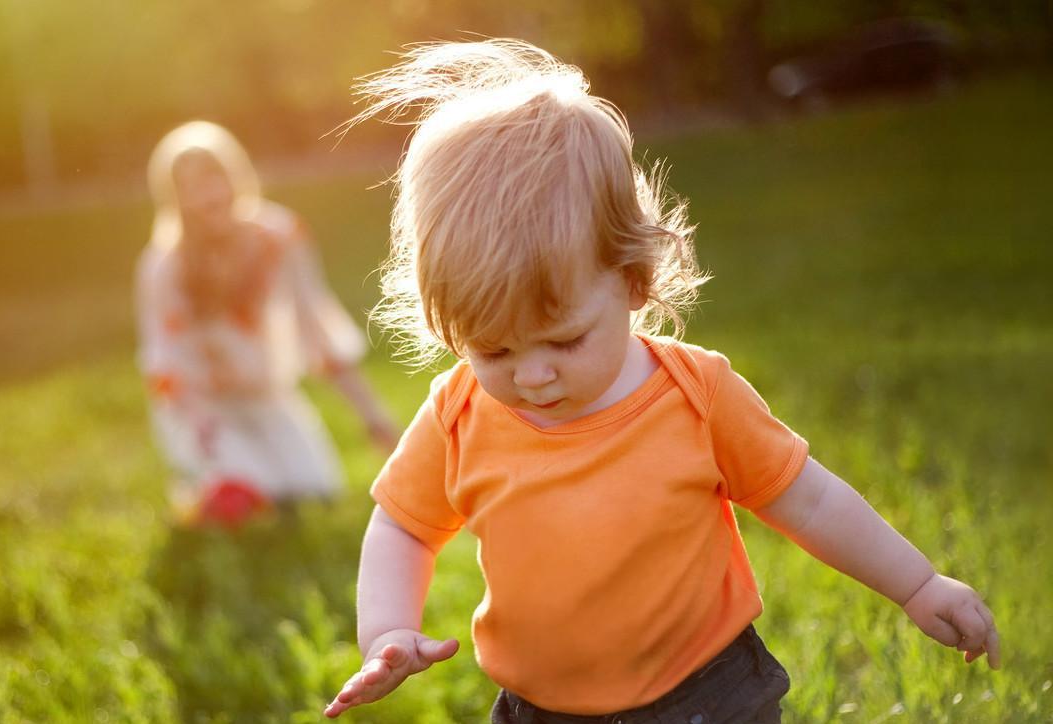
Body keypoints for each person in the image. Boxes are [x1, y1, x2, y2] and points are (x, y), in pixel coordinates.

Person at [323, 40, 1001, 722]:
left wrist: (917, 585)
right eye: (491, 349)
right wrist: (387, 630)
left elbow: (811, 501)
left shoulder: (696, 395)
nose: (532, 375)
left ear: (633, 280)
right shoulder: (458, 413)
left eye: (564, 339)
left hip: (707, 694)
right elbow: (404, 527)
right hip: (540, 708)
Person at [136, 121, 397, 527]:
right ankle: (197, 487)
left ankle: (222, 482)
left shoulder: (281, 237)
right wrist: (197, 418)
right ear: (173, 198)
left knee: (314, 491)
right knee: (255, 499)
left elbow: (317, 331)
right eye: (190, 186)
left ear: (236, 174)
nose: (208, 194)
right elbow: (163, 359)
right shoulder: (164, 266)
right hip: (202, 410)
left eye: (214, 177)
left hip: (268, 397)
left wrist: (371, 414)